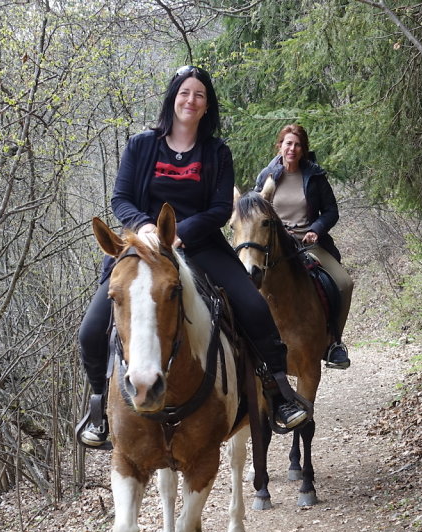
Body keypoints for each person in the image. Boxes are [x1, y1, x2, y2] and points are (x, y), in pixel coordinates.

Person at [76, 66, 310, 448]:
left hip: (200, 245)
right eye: (185, 92)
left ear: (206, 106)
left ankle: (279, 391)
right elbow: (121, 198)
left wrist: (180, 232)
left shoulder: (216, 152)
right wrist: (145, 226)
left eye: (199, 95)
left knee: (253, 307)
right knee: (90, 331)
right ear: (173, 98)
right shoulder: (141, 145)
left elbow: (220, 209)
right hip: (142, 247)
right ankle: (99, 408)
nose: (191, 100)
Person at [254, 124, 354, 369]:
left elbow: (331, 211)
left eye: (297, 145)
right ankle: (251, 344)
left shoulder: (315, 176)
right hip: (275, 247)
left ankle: (333, 342)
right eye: (288, 143)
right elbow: (255, 211)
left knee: (343, 283)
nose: (292, 149)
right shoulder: (267, 176)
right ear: (280, 145)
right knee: (248, 282)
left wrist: (315, 230)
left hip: (309, 244)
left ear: (303, 149)